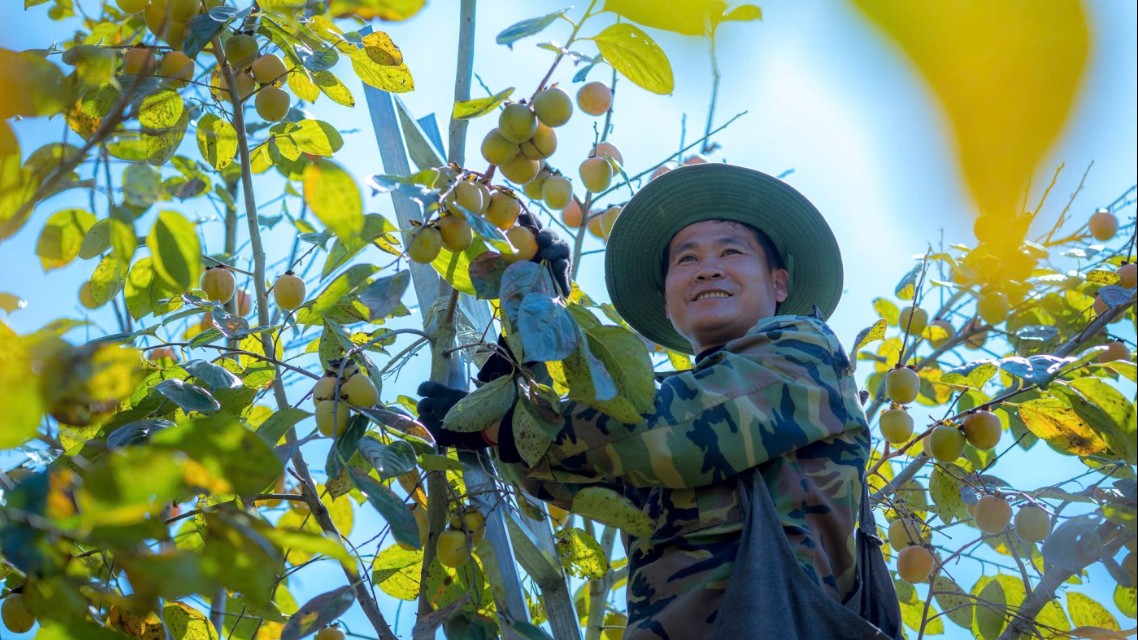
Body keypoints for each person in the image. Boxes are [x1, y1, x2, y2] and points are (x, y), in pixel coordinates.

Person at [418, 164, 901, 639]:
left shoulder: (805, 350)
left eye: (731, 251)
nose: (708, 267)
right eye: (685, 260)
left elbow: (680, 431)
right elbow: (552, 472)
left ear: (779, 284)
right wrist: (533, 322)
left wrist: (500, 426)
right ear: (668, 303)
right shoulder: (654, 414)